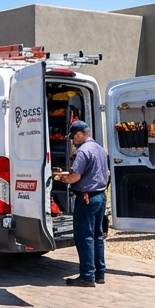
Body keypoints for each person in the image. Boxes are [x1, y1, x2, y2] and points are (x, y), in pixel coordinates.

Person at [53, 121, 109, 286]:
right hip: (100, 196)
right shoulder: (99, 149)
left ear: (79, 134)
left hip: (86, 198)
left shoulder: (83, 151)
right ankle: (100, 273)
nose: (72, 140)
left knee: (84, 237)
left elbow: (75, 177)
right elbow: (91, 172)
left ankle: (86, 276)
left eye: (72, 137)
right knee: (97, 236)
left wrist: (61, 178)